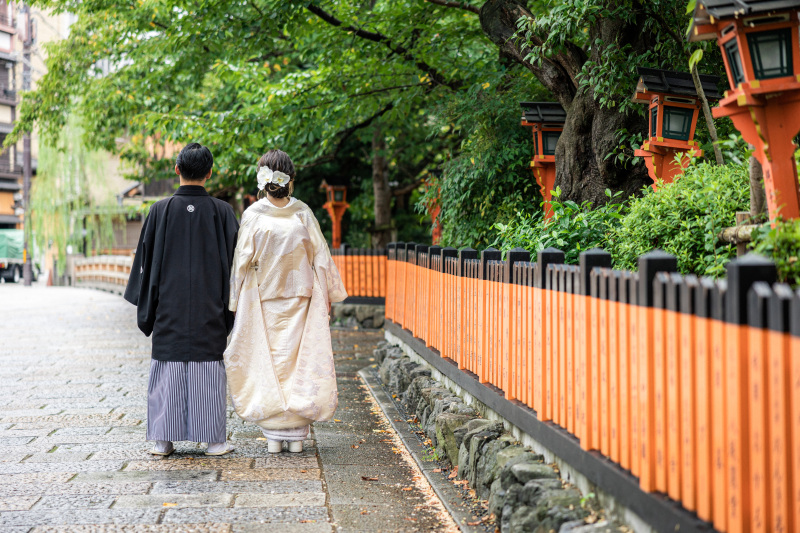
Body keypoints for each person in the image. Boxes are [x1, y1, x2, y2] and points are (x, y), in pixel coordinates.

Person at [225, 149, 347, 453]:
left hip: (265, 296)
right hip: (299, 294)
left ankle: (275, 435)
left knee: (272, 361)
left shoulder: (254, 215)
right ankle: (294, 433)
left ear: (263, 178)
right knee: (297, 363)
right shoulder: (301, 212)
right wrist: (332, 293)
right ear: (290, 179)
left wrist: (234, 299)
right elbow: (320, 255)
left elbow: (241, 260)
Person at [124, 142, 239, 457]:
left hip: (169, 308)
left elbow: (144, 265)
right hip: (210, 308)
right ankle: (213, 440)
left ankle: (163, 439)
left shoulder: (159, 210)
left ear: (177, 170)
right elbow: (237, 266)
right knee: (208, 368)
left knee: (169, 366)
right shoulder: (223, 211)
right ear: (210, 173)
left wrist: (147, 305)